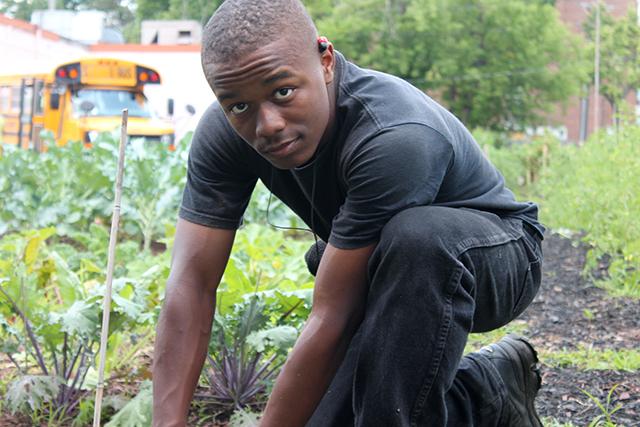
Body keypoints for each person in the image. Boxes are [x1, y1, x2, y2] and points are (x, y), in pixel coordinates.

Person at [152, 0, 545, 425]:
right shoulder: (224, 132)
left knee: (416, 240)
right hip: (379, 266)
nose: (268, 125)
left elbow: (332, 313)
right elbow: (191, 281)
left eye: (283, 92)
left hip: (493, 258)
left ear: (325, 60)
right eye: (239, 107)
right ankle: (487, 390)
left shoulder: (393, 137)